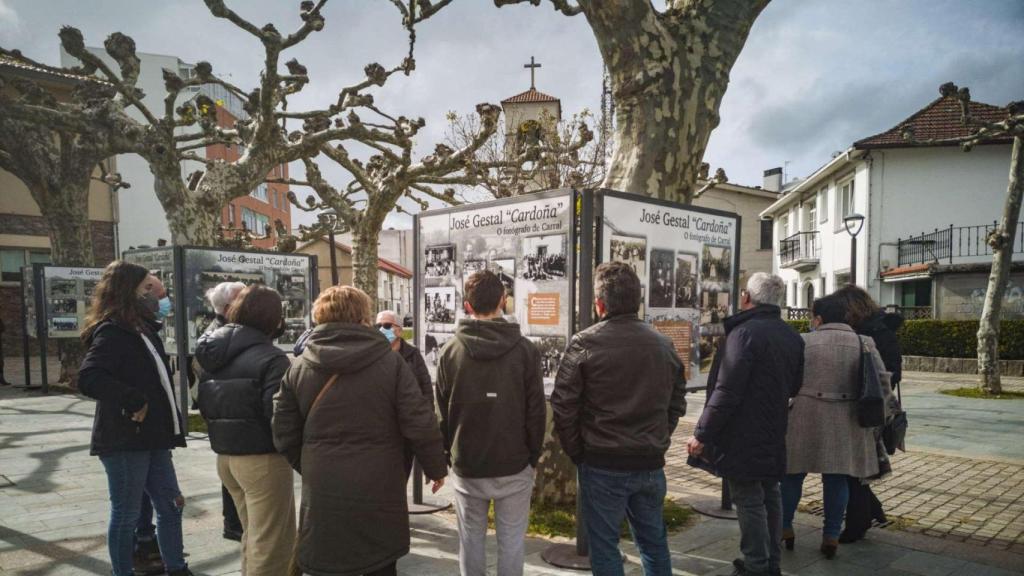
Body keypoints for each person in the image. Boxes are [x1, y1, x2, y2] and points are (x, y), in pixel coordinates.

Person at [272, 285, 447, 576]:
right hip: (380, 481)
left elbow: (283, 430)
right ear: (363, 318)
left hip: (323, 484)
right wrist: (435, 466)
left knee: (327, 557)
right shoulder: (391, 363)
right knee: (377, 558)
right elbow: (419, 419)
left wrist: (311, 463)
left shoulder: (299, 366)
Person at [552, 261, 686, 576]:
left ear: (599, 304)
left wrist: (579, 451)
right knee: (654, 544)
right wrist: (659, 437)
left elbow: (563, 404)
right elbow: (676, 400)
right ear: (636, 300)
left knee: (604, 548)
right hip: (647, 461)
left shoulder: (584, 342)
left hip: (603, 462)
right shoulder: (663, 344)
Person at [78, 261, 191, 576]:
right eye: (146, 289)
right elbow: (89, 377)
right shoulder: (113, 331)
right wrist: (133, 399)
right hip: (126, 440)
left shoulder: (141, 329)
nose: (153, 296)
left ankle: (177, 568)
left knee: (171, 506)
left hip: (154, 438)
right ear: (129, 292)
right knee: (126, 515)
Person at [688, 273, 804, 576]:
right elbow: (794, 386)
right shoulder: (790, 335)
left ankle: (756, 565)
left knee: (750, 499)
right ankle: (771, 563)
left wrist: (702, 434)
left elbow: (727, 390)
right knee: (770, 493)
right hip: (773, 428)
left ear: (747, 298)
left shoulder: (743, 334)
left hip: (742, 433)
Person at [435, 270, 546, 576]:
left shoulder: (450, 351)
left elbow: (441, 413)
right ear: (503, 300)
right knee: (512, 542)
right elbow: (536, 411)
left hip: (468, 465)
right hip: (514, 463)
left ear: (467, 306)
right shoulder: (525, 350)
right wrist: (532, 456)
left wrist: (448, 455)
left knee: (470, 540)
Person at [781, 294, 894, 559]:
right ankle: (831, 535)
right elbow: (882, 383)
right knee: (837, 478)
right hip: (847, 419)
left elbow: (788, 379)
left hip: (804, 416)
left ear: (817, 318)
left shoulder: (803, 341)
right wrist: (885, 415)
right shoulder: (863, 342)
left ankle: (784, 527)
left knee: (792, 475)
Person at [195, 284, 295, 575]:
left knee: (253, 534)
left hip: (227, 457)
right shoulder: (272, 358)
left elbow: (205, 402)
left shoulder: (213, 349)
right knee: (272, 543)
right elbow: (278, 415)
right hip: (262, 458)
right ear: (274, 318)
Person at [833, 285, 904, 543]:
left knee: (853, 470)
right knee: (855, 467)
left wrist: (870, 384)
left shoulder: (871, 333)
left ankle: (857, 524)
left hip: (866, 408)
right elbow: (895, 372)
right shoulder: (880, 329)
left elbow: (890, 372)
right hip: (870, 407)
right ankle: (871, 510)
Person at [193, 281, 247, 541]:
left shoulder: (223, 333)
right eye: (243, 299)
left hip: (228, 416)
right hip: (231, 415)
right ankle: (234, 523)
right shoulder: (221, 337)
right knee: (234, 477)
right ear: (228, 307)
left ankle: (235, 523)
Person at [377, 309, 434, 477]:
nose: (382, 329)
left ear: (400, 330)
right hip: (381, 431)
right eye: (378, 326)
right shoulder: (371, 354)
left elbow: (425, 388)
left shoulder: (412, 354)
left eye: (387, 325)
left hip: (406, 432)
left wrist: (426, 424)